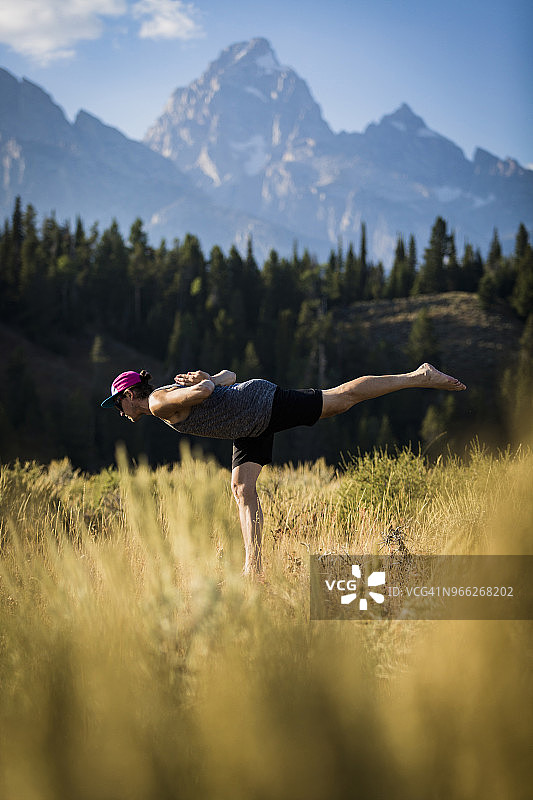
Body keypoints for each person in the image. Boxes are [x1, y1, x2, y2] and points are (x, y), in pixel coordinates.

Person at [101, 364, 466, 576]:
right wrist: (210, 377)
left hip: (259, 405)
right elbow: (228, 374)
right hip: (246, 425)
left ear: (130, 395)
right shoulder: (159, 398)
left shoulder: (159, 401)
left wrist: (204, 382)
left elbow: (208, 391)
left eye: (119, 406)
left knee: (339, 400)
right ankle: (253, 569)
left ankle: (418, 375)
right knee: (241, 488)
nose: (121, 414)